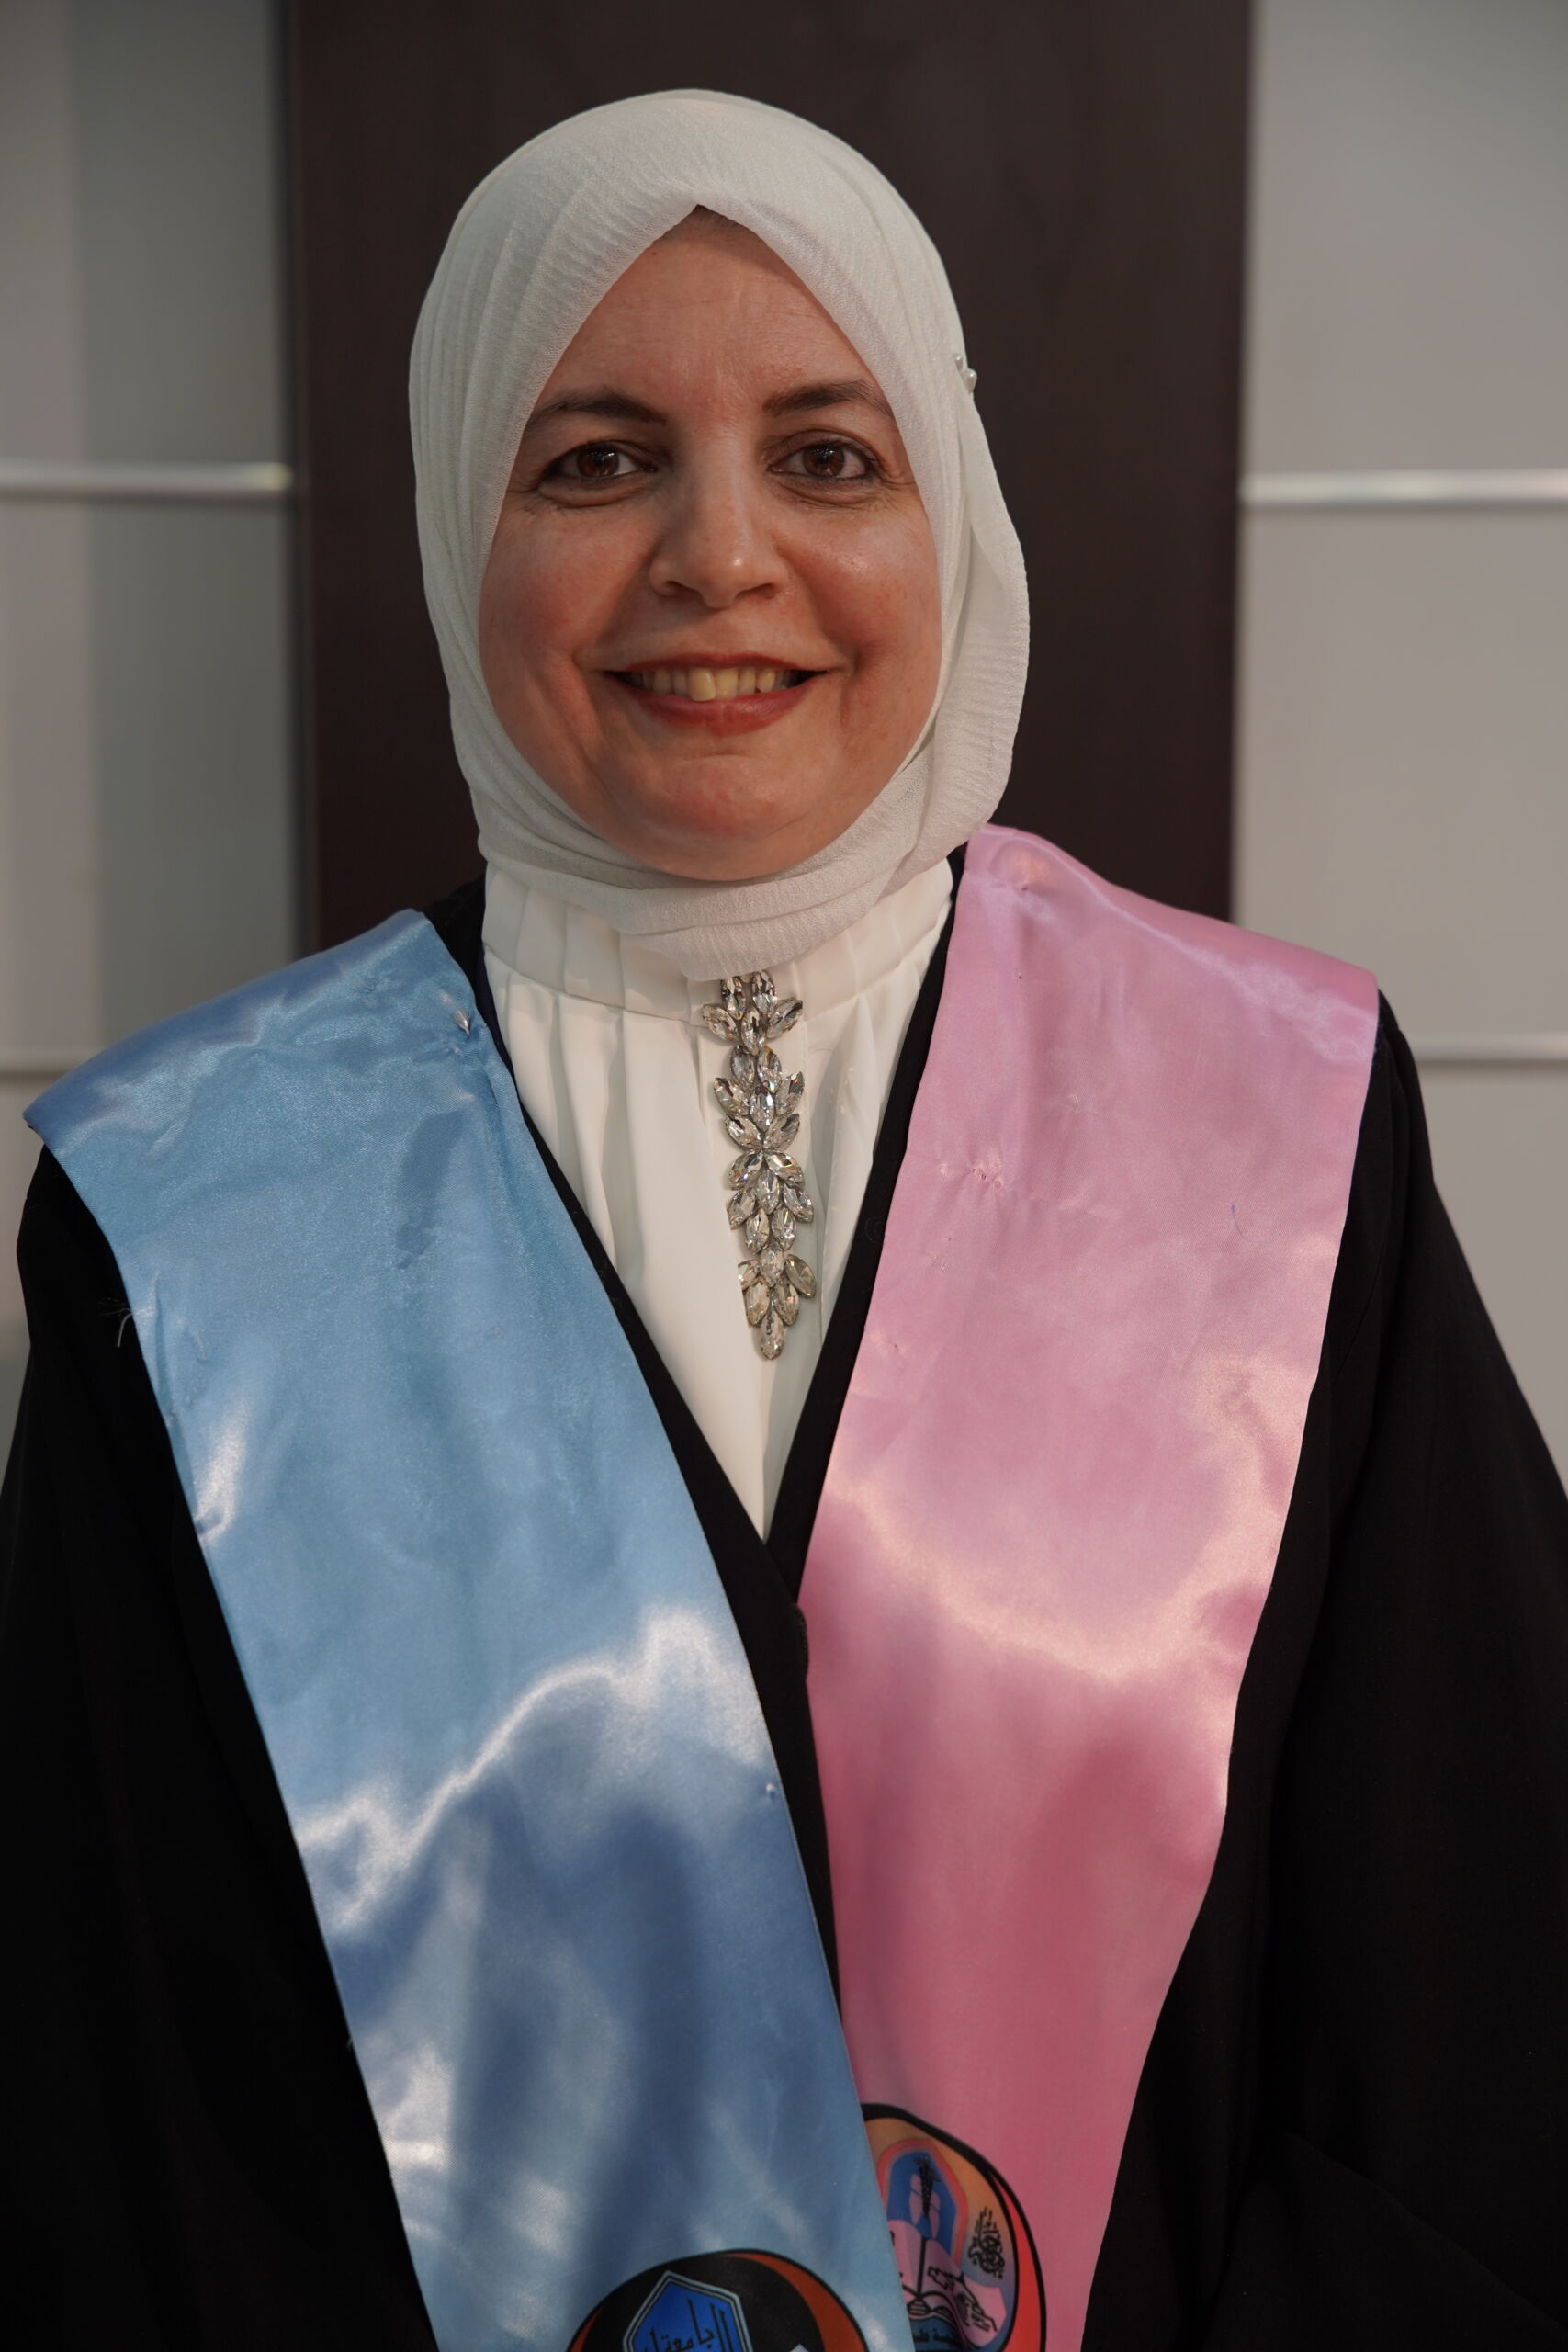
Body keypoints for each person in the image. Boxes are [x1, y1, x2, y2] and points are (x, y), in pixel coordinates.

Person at [2, 88, 1565, 2352]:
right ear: (456, 520)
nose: (717, 556)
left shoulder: (1275, 1122)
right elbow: (121, 2093)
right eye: (594, 460)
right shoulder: (199, 1218)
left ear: (950, 509)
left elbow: (1468, 1977)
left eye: (827, 455)